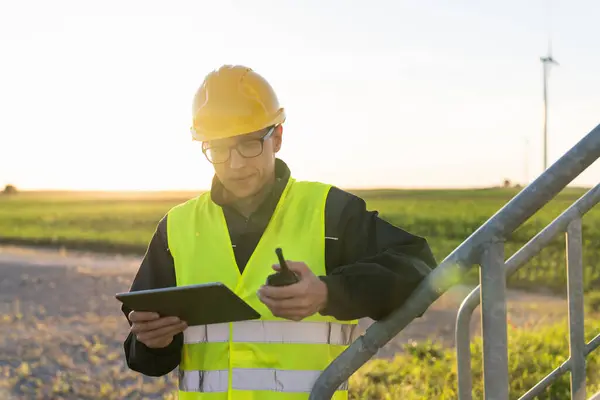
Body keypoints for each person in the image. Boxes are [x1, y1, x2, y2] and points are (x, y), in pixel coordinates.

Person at [121, 65, 437, 399]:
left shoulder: (330, 211)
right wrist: (151, 344)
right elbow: (146, 357)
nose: (236, 164)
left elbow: (419, 267)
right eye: (219, 149)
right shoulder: (177, 228)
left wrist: (330, 293)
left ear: (278, 138)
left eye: (248, 144)